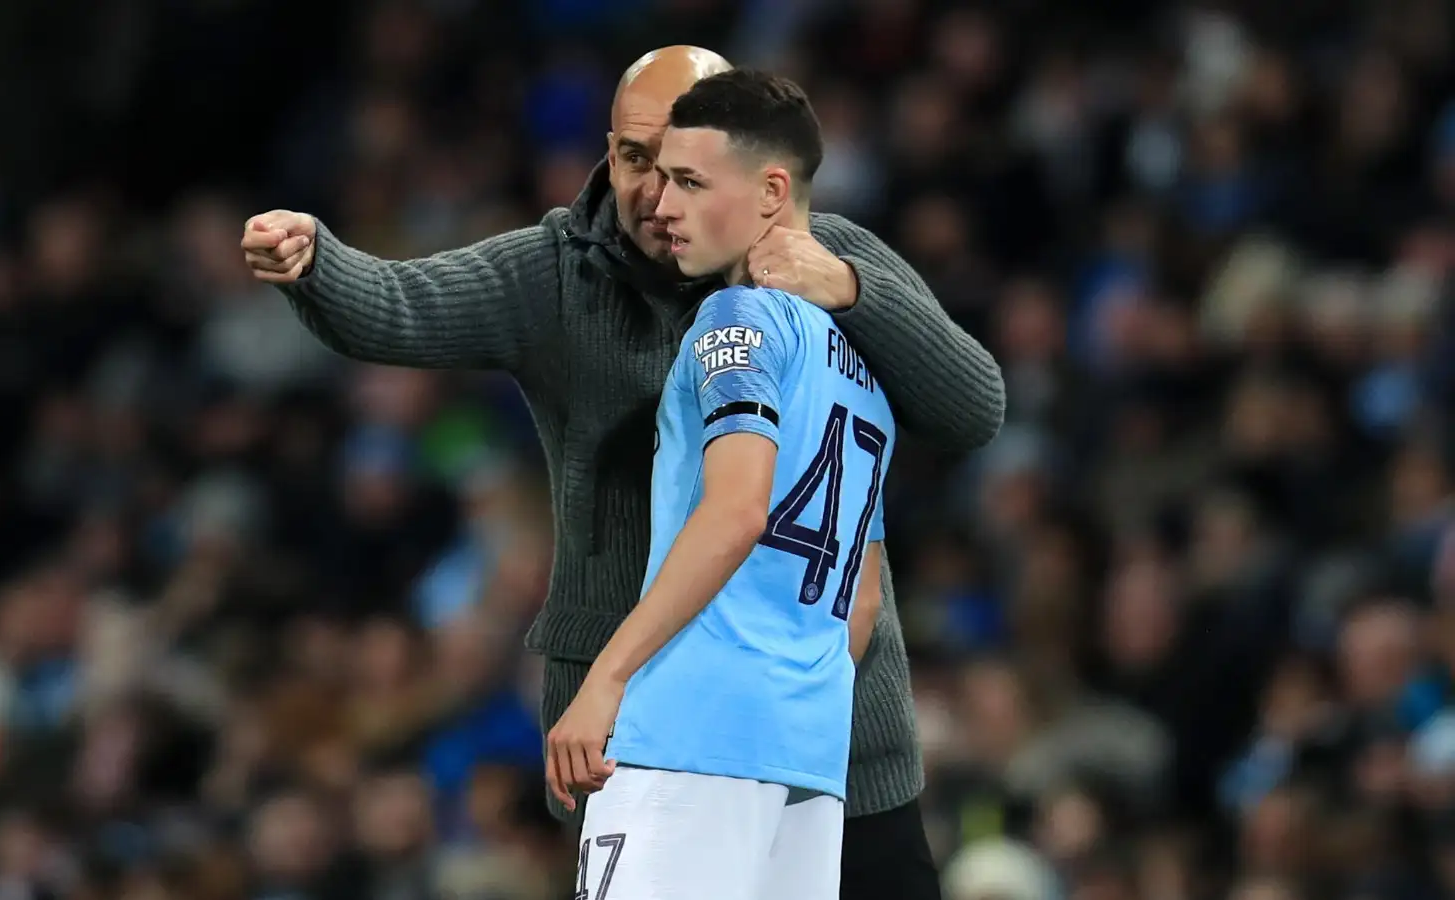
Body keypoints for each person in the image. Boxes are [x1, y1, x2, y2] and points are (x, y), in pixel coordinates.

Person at [242, 46, 1003, 900]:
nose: (655, 193)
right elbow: (401, 304)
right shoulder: (558, 273)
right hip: (695, 725)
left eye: (683, 170)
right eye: (636, 159)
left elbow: (970, 408)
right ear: (607, 149)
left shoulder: (805, 277)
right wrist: (318, 264)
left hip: (789, 739)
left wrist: (858, 288)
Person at [547, 68, 891, 900]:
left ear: (773, 191)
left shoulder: (734, 321)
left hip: (688, 740)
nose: (663, 207)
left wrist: (610, 677)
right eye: (662, 179)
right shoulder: (864, 372)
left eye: (692, 183)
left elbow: (737, 510)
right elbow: (864, 601)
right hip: (805, 760)